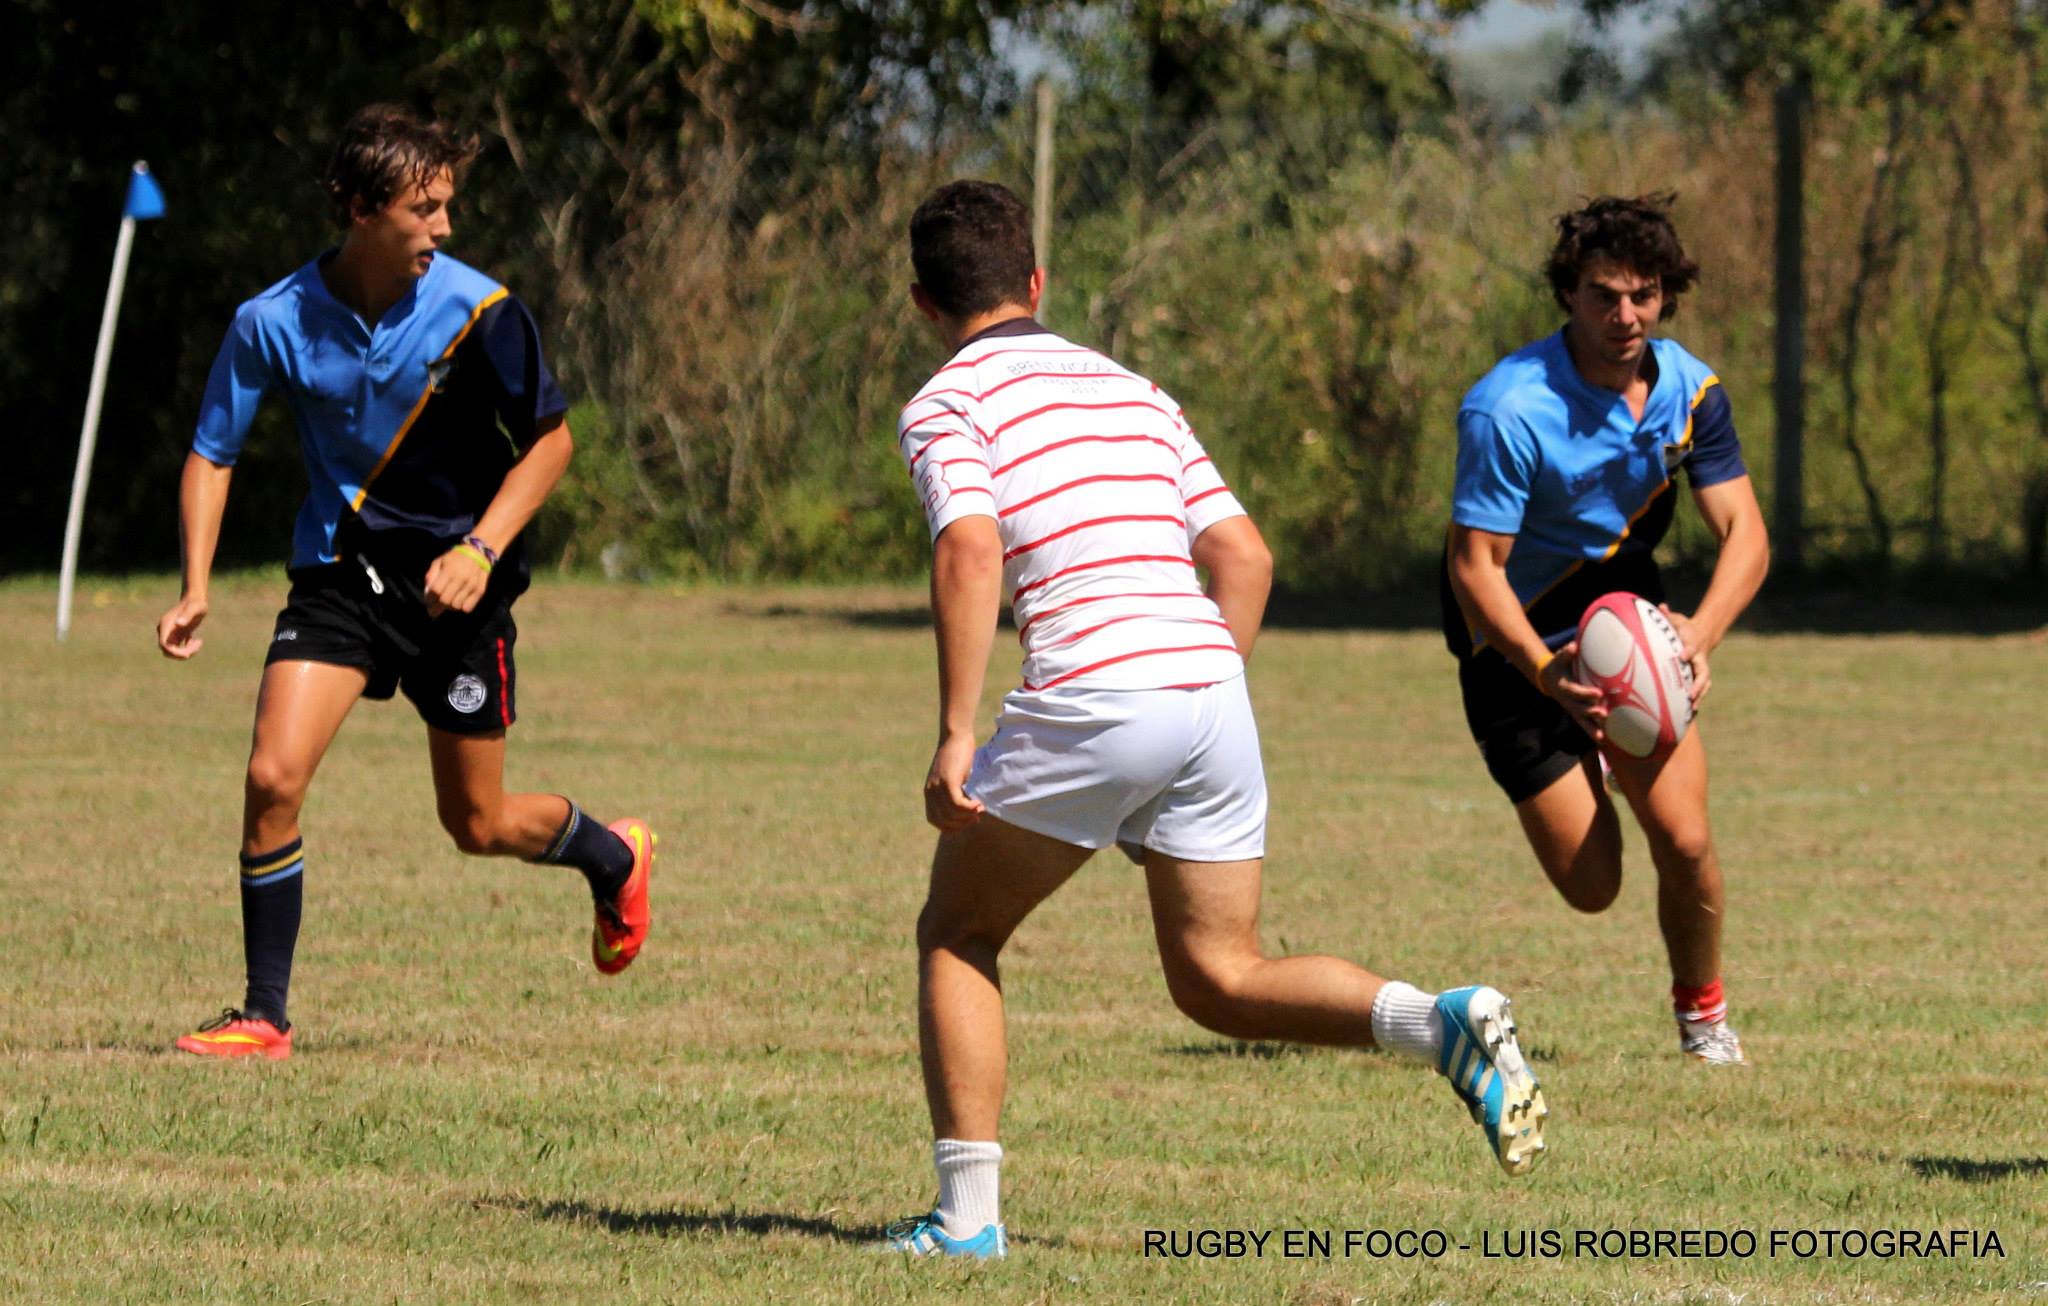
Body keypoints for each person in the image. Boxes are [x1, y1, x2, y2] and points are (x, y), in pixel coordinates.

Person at [879, 180, 1547, 1260]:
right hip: (1208, 690)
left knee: (957, 933)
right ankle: (1438, 1021)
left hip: (1097, 693)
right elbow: (1244, 556)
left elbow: (969, 545)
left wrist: (958, 730)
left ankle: (964, 1224)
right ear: (1038, 281)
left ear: (922, 302)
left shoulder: (946, 401)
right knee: (1217, 978)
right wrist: (1190, 701)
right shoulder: (1136, 392)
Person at [156, 104, 655, 1060]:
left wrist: (480, 550)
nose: (444, 227)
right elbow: (212, 452)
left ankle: (613, 854)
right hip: (340, 579)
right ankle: (264, 1014)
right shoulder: (271, 320)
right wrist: (194, 586)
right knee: (271, 777)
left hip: (458, 594)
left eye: (447, 206)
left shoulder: (481, 311)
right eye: (425, 209)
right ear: (361, 209)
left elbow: (552, 444)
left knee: (477, 823)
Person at [1442, 193, 1768, 1066]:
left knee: (1686, 840)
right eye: (1604, 296)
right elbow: (1475, 569)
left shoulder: (1690, 392)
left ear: (1665, 295)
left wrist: (1698, 636)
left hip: (1626, 624)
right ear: (1569, 295)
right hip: (1511, 648)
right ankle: (1589, 763)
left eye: (1643, 295)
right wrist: (1546, 672)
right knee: (1593, 886)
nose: (1626, 316)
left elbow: (1745, 531)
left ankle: (1704, 1020)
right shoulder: (1509, 408)